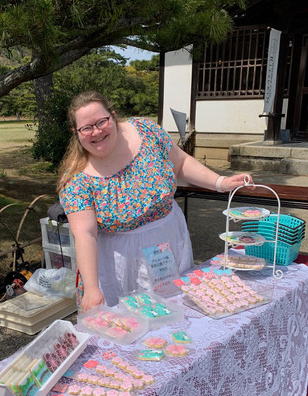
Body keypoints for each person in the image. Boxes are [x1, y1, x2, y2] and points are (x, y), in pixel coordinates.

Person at [57, 91, 253, 312]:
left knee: (178, 311)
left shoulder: (146, 131)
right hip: (122, 262)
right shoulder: (76, 178)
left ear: (113, 116)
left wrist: (220, 182)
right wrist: (92, 288)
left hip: (169, 239)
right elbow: (85, 233)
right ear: (76, 132)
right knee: (132, 323)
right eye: (87, 128)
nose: (97, 131)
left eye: (102, 121)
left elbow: (179, 164)